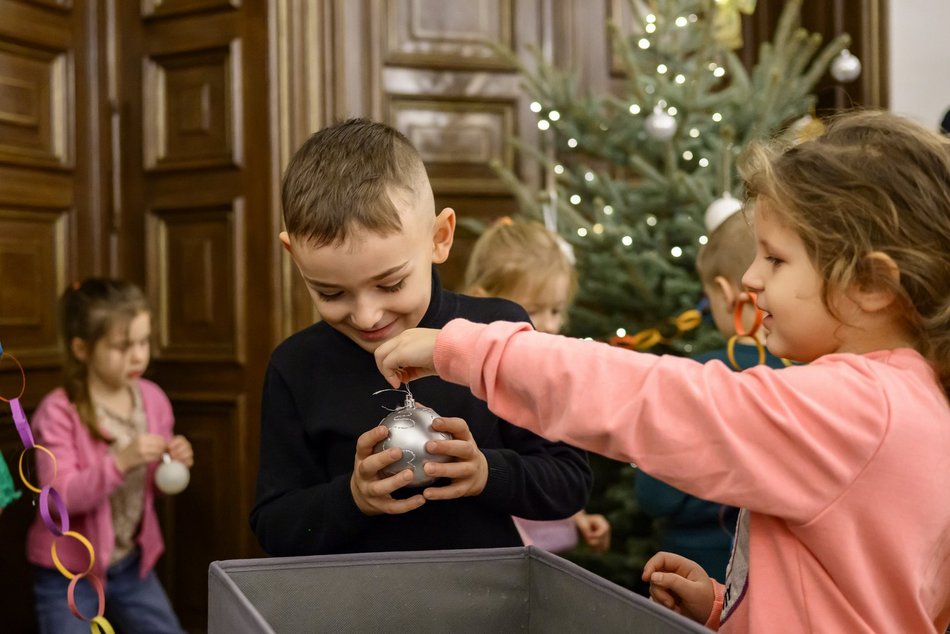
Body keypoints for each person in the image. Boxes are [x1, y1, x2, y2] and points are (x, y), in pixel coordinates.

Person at [374, 110, 950, 633]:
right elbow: (867, 598)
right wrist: (729, 608)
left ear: (872, 286)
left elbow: (653, 399)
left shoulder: (858, 408)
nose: (751, 278)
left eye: (776, 257)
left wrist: (469, 349)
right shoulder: (915, 402)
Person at [249, 118, 592, 557]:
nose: (367, 315)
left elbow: (570, 481)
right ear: (294, 256)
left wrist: (486, 471)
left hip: (488, 605)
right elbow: (274, 524)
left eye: (390, 284)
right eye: (330, 293)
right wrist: (352, 499)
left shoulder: (497, 332)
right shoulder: (295, 367)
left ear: (439, 237)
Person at [26, 278, 192, 633]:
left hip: (131, 563)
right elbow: (57, 500)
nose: (138, 355)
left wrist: (172, 462)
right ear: (82, 349)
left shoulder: (153, 399)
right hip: (67, 572)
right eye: (122, 346)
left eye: (144, 342)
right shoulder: (60, 412)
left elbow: (153, 486)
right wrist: (120, 462)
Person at [635, 207, 786, 580]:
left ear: (723, 293)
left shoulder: (690, 377)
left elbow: (655, 497)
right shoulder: (812, 376)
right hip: (775, 572)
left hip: (691, 568)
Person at [465, 217, 611, 554]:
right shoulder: (469, 380)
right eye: (532, 311)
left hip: (545, 543)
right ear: (482, 301)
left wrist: (577, 515)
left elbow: (554, 459)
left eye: (556, 311)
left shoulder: (548, 375)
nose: (547, 325)